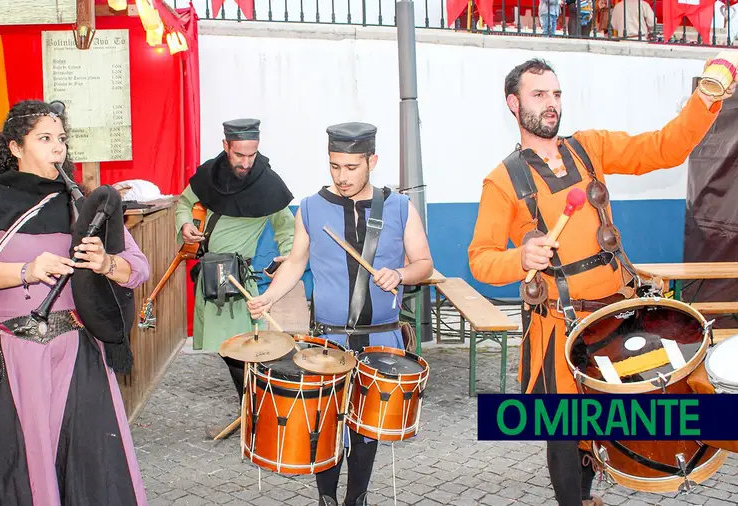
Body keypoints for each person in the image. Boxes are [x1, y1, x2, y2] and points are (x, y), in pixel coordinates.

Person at [467, 58, 734, 506]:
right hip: (559, 324)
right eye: (539, 95)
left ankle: (593, 495)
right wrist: (520, 258)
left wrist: (705, 98)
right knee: (564, 428)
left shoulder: (588, 148)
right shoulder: (503, 181)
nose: (551, 104)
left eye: (555, 94)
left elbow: (663, 149)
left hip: (616, 312)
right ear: (514, 104)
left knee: (608, 416)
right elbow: (480, 260)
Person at [0, 100, 150, 505]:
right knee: (16, 462)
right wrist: (26, 269)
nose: (58, 148)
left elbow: (138, 269)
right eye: (45, 138)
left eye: (62, 139)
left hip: (77, 352)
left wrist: (106, 263)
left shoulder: (80, 203)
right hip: (9, 353)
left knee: (86, 462)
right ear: (16, 146)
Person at [247, 122, 433, 506]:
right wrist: (268, 298)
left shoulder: (399, 206)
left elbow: (425, 264)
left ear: (372, 161)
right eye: (335, 166)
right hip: (328, 339)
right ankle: (327, 498)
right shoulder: (312, 208)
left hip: (381, 337)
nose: (342, 176)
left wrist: (400, 273)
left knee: (366, 430)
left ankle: (357, 498)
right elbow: (296, 263)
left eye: (351, 167)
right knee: (324, 423)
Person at [176, 118, 295, 439]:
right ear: (226, 146)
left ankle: (258, 415)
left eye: (251, 155)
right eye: (239, 154)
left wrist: (288, 254)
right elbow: (184, 204)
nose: (245, 162)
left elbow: (286, 227)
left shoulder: (267, 183)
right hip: (207, 279)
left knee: (239, 351)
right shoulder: (208, 174)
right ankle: (256, 413)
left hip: (236, 280)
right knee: (227, 350)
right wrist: (184, 224)